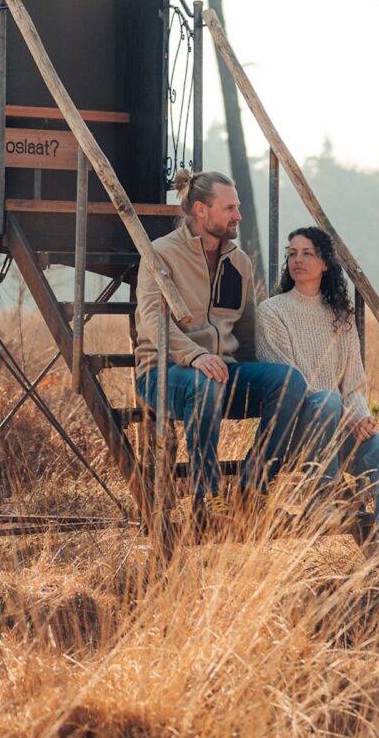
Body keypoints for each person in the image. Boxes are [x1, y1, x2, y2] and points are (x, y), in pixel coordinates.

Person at [134, 168, 315, 522]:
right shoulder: (160, 255)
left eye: (238, 207)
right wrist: (196, 355)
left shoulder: (239, 262)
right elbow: (153, 320)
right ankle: (207, 498)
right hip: (164, 375)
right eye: (229, 208)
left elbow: (246, 330)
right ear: (201, 210)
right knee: (204, 381)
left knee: (289, 381)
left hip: (222, 374)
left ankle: (252, 489)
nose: (238, 216)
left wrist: (259, 374)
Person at [257, 226, 379, 554]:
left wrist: (361, 417)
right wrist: (344, 414)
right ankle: (319, 500)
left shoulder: (341, 317)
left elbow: (353, 384)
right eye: (292, 253)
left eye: (307, 253)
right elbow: (291, 384)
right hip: (297, 433)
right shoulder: (272, 312)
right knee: (326, 400)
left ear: (325, 262)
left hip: (337, 428)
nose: (297, 260)